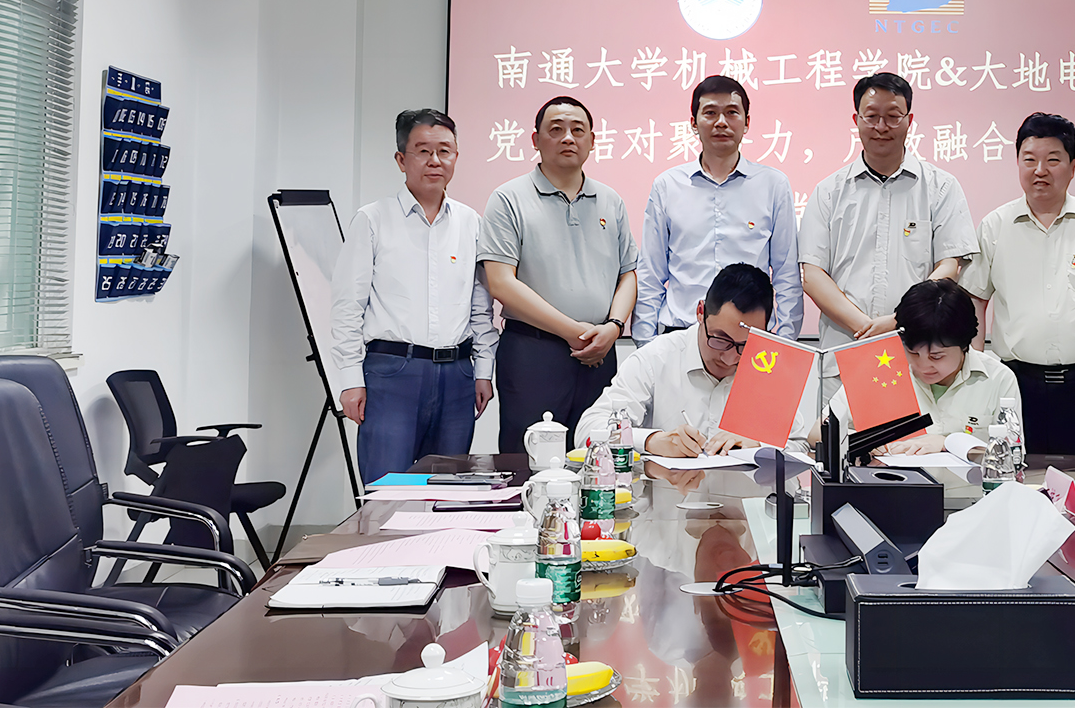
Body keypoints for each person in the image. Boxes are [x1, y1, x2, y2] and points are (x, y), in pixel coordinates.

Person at [961, 112, 1075, 456]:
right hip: (1014, 384)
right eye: (1029, 160)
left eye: (1053, 160)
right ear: (1017, 163)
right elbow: (975, 302)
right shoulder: (994, 227)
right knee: (1014, 477)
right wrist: (974, 376)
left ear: (1073, 166)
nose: (1040, 170)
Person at [330, 109, 499, 485]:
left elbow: (480, 307)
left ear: (456, 157)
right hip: (393, 374)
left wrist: (483, 371)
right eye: (423, 151)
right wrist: (350, 378)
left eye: (445, 151)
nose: (435, 160)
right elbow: (347, 306)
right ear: (401, 159)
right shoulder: (372, 220)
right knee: (387, 489)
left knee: (447, 490)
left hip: (457, 375)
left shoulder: (471, 223)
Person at [798, 72, 979, 399]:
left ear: (910, 120)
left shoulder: (941, 187)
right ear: (856, 119)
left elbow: (949, 266)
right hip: (844, 352)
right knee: (839, 431)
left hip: (918, 354)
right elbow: (812, 274)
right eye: (872, 116)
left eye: (893, 116)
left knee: (916, 433)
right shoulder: (828, 192)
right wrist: (866, 328)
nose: (882, 126)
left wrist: (899, 320)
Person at [480, 96, 638, 453]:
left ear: (592, 141)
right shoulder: (509, 198)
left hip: (599, 352)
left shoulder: (610, 200)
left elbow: (628, 274)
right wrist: (574, 332)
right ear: (535, 140)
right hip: (533, 353)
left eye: (578, 130)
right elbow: (500, 282)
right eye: (556, 129)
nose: (568, 137)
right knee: (529, 459)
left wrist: (614, 327)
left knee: (598, 456)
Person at [574, 263, 814, 457]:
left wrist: (758, 446)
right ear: (701, 312)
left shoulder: (768, 367)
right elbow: (587, 431)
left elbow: (800, 446)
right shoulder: (657, 358)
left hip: (746, 501)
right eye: (720, 339)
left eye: (746, 345)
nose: (730, 358)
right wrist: (652, 440)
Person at [633, 75, 802, 345]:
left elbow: (786, 275)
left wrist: (784, 342)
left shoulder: (773, 184)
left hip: (749, 339)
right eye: (710, 113)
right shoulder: (667, 185)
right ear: (693, 123)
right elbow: (650, 273)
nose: (721, 122)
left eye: (732, 112)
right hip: (681, 335)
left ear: (747, 122)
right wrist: (645, 344)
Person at [817, 279, 1020, 459]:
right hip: (893, 487)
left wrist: (948, 443)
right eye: (913, 353)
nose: (923, 365)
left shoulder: (998, 379)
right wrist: (864, 442)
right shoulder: (879, 371)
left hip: (970, 490)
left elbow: (1013, 457)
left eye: (936, 356)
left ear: (964, 344)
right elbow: (817, 433)